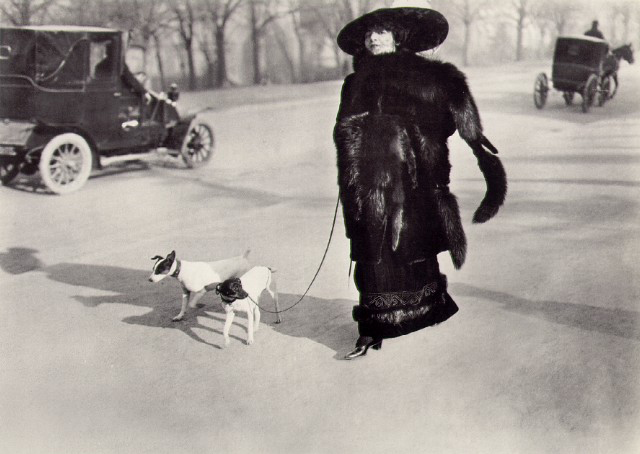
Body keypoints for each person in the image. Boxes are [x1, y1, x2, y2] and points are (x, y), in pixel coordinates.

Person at [334, 7, 507, 360]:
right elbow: (343, 130)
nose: (373, 38)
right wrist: (369, 142)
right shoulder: (355, 83)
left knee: (415, 246)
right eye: (368, 34)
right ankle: (373, 329)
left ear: (399, 36)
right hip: (370, 186)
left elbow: (458, 116)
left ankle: (426, 308)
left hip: (418, 184)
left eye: (381, 31)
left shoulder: (431, 77)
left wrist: (486, 161)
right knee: (375, 255)